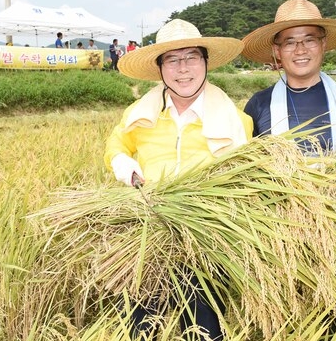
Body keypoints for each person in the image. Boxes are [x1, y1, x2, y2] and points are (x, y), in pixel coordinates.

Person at [104, 19, 252, 341]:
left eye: (191, 57)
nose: (183, 69)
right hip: (147, 237)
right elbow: (117, 144)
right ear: (160, 68)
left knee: (203, 332)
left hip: (204, 243)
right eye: (172, 59)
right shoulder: (141, 113)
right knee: (142, 331)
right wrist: (122, 162)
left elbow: (244, 177)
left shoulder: (236, 121)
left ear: (205, 62)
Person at [242, 0, 336, 204]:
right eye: (290, 42)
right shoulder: (259, 105)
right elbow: (245, 176)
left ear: (323, 44)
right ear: (277, 51)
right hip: (278, 228)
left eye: (309, 40)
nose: (300, 49)